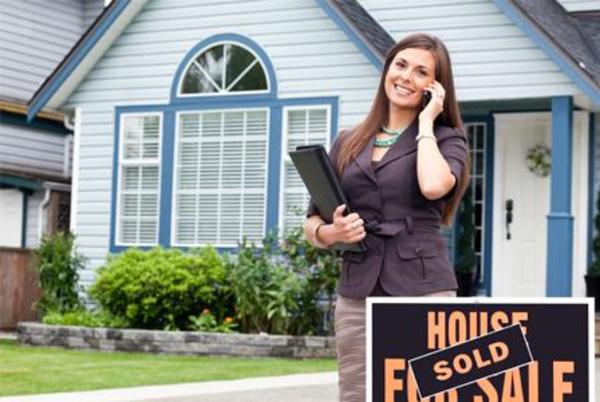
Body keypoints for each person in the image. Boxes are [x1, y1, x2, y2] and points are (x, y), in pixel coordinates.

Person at [303, 33, 470, 402]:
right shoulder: (348, 140)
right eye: (401, 64)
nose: (406, 76)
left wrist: (427, 123)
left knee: (423, 394)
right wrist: (333, 232)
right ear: (387, 70)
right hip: (358, 288)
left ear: (436, 87)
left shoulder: (447, 139)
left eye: (421, 71)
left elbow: (432, 186)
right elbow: (312, 221)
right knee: (357, 394)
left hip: (422, 286)